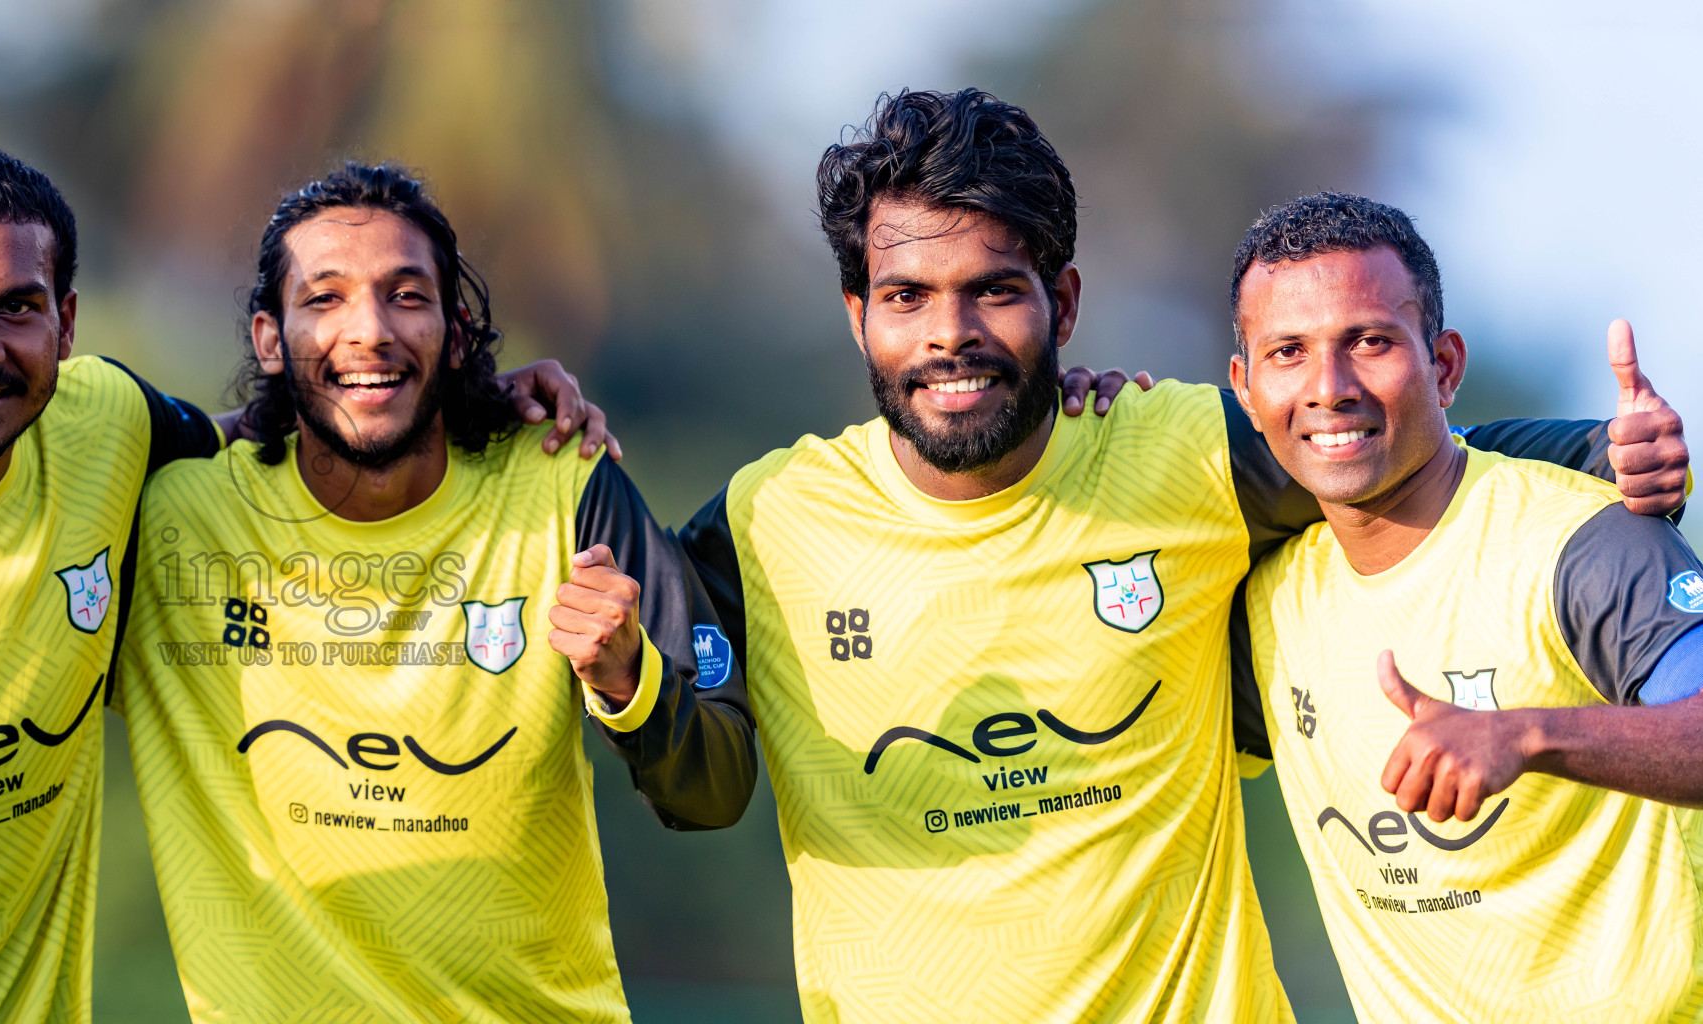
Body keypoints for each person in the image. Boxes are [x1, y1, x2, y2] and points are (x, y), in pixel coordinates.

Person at [675, 88, 1690, 1022]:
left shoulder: (1186, 454)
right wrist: (530, 422)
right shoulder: (759, 524)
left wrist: (1593, 451)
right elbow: (693, 783)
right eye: (906, 297)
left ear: (1062, 306)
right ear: (857, 315)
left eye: (992, 290)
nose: (949, 333)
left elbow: (1389, 454)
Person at [0, 143, 621, 1023]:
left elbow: (288, 435)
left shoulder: (110, 427)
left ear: (68, 323)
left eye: (17, 309)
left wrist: (487, 396)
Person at [112, 162, 746, 1022]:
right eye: (324, 298)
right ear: (269, 337)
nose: (368, 330)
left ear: (454, 333)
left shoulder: (564, 488)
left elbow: (715, 791)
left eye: (406, 296)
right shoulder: (170, 520)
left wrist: (629, 682)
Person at [1235, 193, 1703, 1022]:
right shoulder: (1266, 602)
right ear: (1244, 386)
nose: (1329, 387)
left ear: (1444, 365)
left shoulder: (1585, 542)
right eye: (1288, 352)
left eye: (1369, 342)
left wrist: (1524, 735)